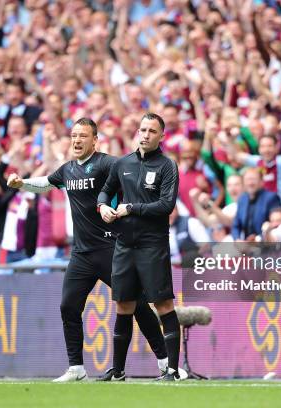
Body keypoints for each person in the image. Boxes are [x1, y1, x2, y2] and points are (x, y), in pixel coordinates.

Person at [7, 118, 168, 382]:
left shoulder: (108, 163)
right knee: (68, 306)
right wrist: (21, 184)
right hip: (82, 253)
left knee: (137, 304)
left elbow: (133, 176)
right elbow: (47, 183)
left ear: (95, 140)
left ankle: (165, 362)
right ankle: (76, 368)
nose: (77, 141)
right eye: (73, 136)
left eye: (83, 136)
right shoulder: (68, 169)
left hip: (111, 247)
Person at [97, 112, 182, 381]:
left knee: (163, 304)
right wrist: (102, 207)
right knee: (124, 305)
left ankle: (172, 370)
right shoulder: (122, 164)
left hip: (152, 244)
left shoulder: (167, 166)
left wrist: (130, 208)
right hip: (124, 244)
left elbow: (166, 205)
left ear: (161, 136)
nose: (145, 134)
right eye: (142, 129)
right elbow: (105, 191)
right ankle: (118, 370)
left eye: (151, 131)